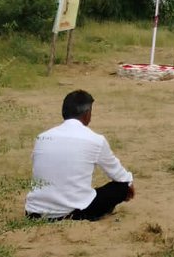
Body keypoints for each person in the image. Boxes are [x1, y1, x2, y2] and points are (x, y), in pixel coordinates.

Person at [25, 90, 135, 221]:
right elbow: (120, 176)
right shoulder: (95, 140)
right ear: (87, 113)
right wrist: (128, 186)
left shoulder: (42, 137)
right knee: (121, 187)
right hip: (72, 212)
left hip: (33, 212)